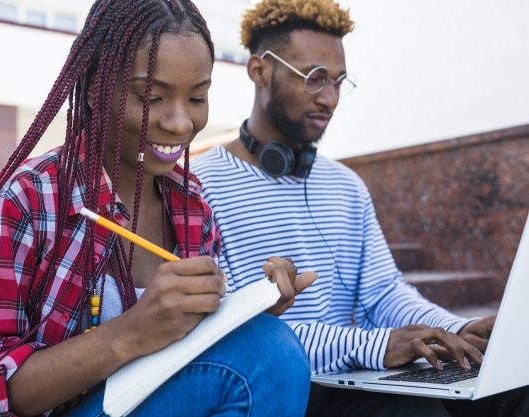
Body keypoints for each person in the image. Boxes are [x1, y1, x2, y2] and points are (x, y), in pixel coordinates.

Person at [0, 0, 316, 415]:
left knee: (265, 342)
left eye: (197, 97)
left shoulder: (190, 204)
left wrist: (239, 315)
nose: (180, 122)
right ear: (95, 87)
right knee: (269, 355)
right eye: (152, 96)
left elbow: (184, 350)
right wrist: (129, 334)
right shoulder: (21, 200)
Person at [191, 0, 529, 416]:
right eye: (314, 78)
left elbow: (384, 293)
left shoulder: (346, 185)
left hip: (357, 373)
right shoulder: (200, 187)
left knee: (509, 391)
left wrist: (456, 329)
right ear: (260, 70)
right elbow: (234, 332)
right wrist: (376, 345)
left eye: (338, 81)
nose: (330, 98)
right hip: (287, 383)